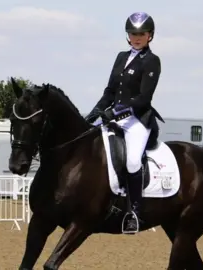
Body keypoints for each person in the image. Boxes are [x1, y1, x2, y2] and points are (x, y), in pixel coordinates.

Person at [85, 11, 164, 233]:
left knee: (131, 162)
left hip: (137, 120)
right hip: (115, 119)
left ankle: (135, 212)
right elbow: (110, 91)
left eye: (142, 33)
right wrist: (93, 113)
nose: (137, 37)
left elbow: (143, 99)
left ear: (150, 35)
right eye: (133, 33)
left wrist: (116, 112)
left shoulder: (152, 61)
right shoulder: (121, 57)